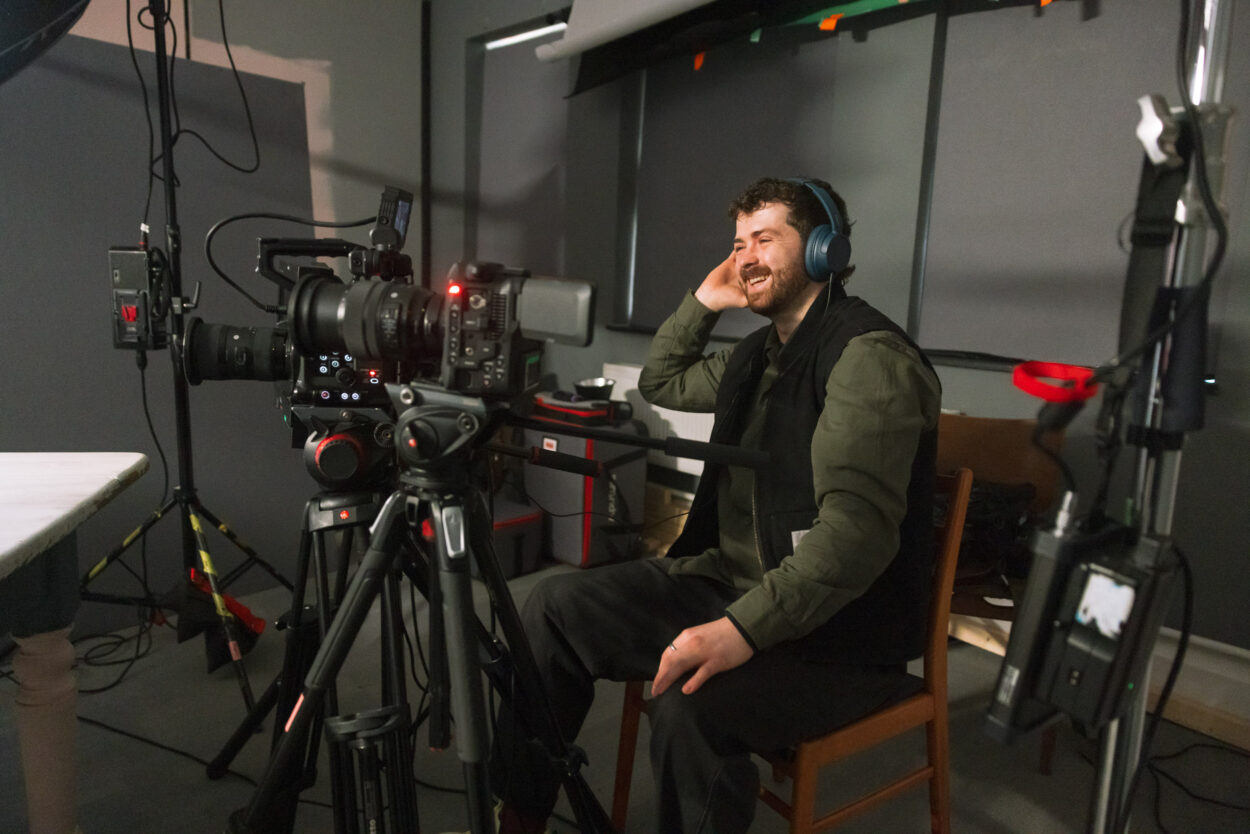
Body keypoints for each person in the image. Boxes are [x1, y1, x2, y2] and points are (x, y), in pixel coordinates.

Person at [488, 176, 942, 834]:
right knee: (554, 606)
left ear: (825, 249)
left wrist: (740, 631)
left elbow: (855, 539)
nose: (746, 257)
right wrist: (705, 299)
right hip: (728, 585)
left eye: (765, 239)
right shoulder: (759, 355)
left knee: (690, 708)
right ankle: (520, 817)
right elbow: (663, 380)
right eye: (737, 244)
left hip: (837, 634)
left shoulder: (868, 358)